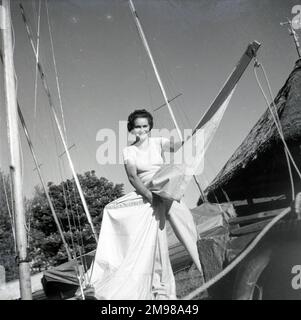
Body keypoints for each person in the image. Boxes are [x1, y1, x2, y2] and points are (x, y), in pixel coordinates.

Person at [83, 109, 203, 300]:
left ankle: (207, 267)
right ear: (131, 129)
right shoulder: (129, 151)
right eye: (137, 126)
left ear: (150, 127)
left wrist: (194, 137)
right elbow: (132, 176)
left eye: (144, 126)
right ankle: (162, 293)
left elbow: (177, 146)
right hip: (148, 194)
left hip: (165, 188)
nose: (141, 130)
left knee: (186, 226)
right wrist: (149, 195)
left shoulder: (158, 142)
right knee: (155, 244)